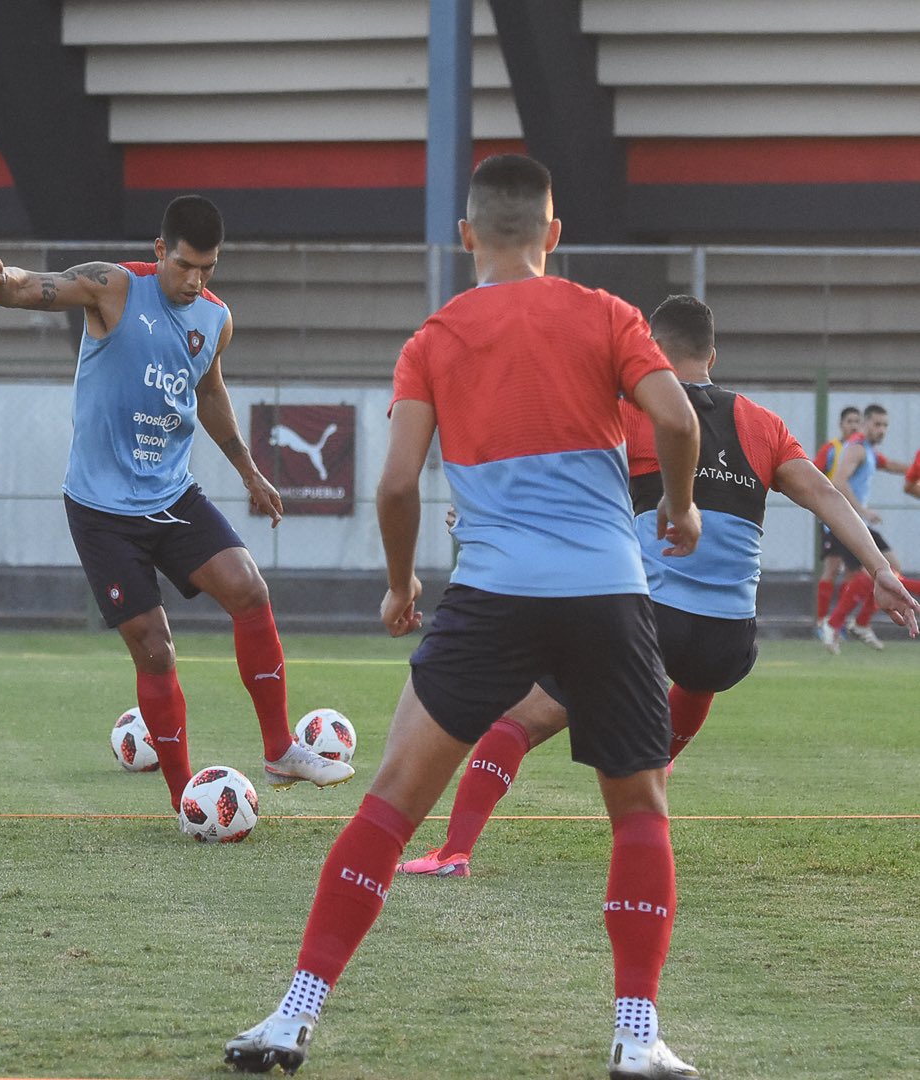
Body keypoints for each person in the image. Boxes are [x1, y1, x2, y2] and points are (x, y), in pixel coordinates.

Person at [225, 155, 704, 1079]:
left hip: (492, 598)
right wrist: (678, 509)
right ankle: (638, 1036)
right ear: (553, 236)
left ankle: (294, 1016)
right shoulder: (607, 314)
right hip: (608, 594)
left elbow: (398, 482)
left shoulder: (435, 337)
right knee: (639, 813)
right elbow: (676, 420)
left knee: (392, 806)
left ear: (467, 237)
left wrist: (402, 585)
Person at [396, 296, 918, 881]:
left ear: (650, 350)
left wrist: (481, 518)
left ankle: (454, 852)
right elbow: (825, 495)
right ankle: (647, 800)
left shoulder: (638, 414)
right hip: (730, 645)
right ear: (712, 355)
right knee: (694, 682)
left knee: (516, 722)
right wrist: (879, 570)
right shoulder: (762, 423)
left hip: (648, 626)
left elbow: (560, 484)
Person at [0, 194, 353, 812]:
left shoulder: (216, 319)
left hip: (172, 496)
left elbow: (211, 393)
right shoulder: (112, 288)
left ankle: (280, 749)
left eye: (207, 268)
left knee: (249, 589)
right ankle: (186, 802)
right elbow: (30, 289)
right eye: (184, 266)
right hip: (100, 511)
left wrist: (251, 472)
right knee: (155, 645)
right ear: (159, 251)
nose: (194, 280)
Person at [819, 403, 916, 652]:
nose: (882, 430)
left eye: (885, 426)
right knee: (872, 573)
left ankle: (859, 623)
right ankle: (833, 623)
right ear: (865, 424)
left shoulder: (869, 451)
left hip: (857, 522)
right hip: (848, 522)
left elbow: (895, 467)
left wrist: (914, 469)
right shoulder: (857, 449)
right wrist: (862, 511)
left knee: (892, 570)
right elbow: (838, 481)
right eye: (877, 424)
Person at [812, 405, 860, 635]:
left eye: (856, 422)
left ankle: (837, 623)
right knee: (831, 568)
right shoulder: (832, 449)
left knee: (852, 572)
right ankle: (822, 623)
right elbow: (813, 473)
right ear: (841, 425)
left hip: (855, 521)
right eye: (849, 421)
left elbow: (886, 463)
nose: (853, 425)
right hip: (833, 519)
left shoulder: (862, 451)